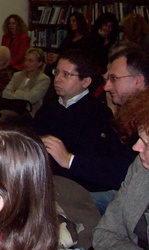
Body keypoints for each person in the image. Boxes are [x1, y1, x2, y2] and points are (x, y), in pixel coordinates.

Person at [33, 50, 137, 197]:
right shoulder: (47, 109)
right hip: (42, 180)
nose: (57, 79)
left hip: (78, 189)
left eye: (67, 75)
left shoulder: (99, 113)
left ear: (86, 82)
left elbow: (99, 164)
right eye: (56, 72)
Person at [93, 85, 149, 250]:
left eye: (148, 144)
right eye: (139, 138)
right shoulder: (142, 168)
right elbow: (104, 233)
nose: (136, 147)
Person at [1, 47, 50, 118]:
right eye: (25, 60)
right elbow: (5, 94)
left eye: (30, 61)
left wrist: (15, 92)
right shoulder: (17, 75)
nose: (27, 63)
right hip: (12, 107)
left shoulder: (43, 79)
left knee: (4, 115)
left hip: (29, 112)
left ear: (39, 63)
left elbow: (30, 99)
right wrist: (23, 94)